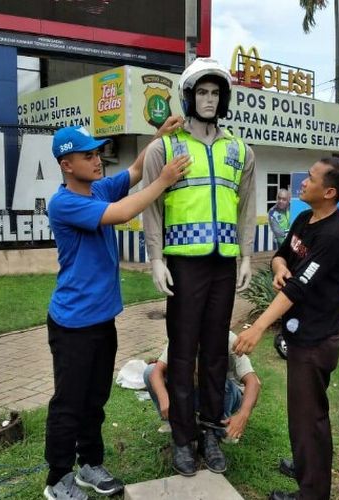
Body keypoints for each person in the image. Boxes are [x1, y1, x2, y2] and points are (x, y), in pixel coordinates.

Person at [43, 118, 190, 500]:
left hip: (101, 319)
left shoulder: (98, 189)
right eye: (88, 155)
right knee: (69, 402)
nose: (98, 160)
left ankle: (90, 465)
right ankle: (58, 478)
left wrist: (159, 140)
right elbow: (124, 213)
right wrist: (164, 181)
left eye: (97, 153)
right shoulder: (65, 203)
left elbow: (136, 170)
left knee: (95, 399)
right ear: (66, 165)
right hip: (73, 323)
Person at [142, 57, 256, 477]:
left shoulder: (239, 150)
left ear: (223, 99)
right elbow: (151, 207)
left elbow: (247, 208)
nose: (209, 100)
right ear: (189, 97)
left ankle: (211, 431)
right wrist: (156, 258)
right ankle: (183, 439)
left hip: (223, 266)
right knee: (183, 350)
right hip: (184, 266)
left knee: (214, 354)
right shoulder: (166, 148)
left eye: (215, 93)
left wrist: (246, 255)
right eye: (201, 92)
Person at [233, 157, 339, 500]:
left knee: (309, 418)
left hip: (316, 340)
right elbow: (281, 254)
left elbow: (299, 288)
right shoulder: (305, 218)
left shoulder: (334, 235)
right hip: (302, 335)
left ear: (329, 192)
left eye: (311, 178)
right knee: (305, 414)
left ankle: (312, 492)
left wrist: (257, 327)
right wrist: (279, 267)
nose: (302, 182)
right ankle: (307, 466)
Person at [142, 331, 261, 441]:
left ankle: (218, 427)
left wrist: (243, 415)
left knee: (218, 378)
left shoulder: (229, 340)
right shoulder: (183, 336)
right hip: (197, 390)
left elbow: (253, 382)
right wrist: (164, 399)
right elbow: (155, 372)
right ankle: (176, 422)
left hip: (227, 393)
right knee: (149, 371)